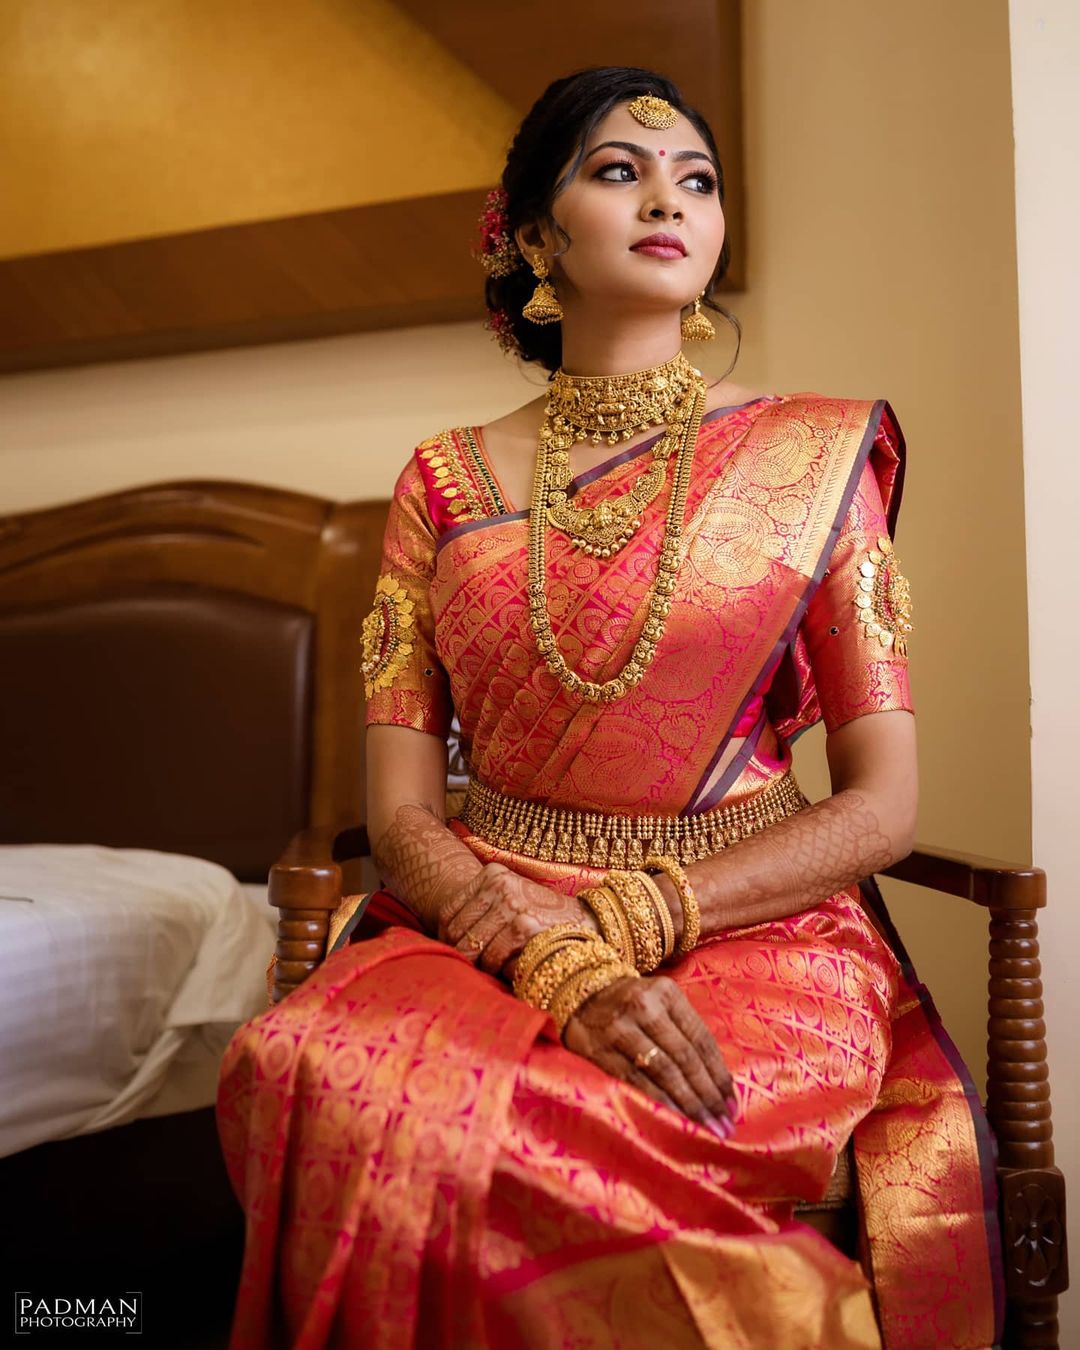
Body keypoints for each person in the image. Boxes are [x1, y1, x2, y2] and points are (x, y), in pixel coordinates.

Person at [217, 68, 1002, 1348]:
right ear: (534, 238)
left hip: (758, 924)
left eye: (697, 179)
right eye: (618, 170)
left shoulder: (813, 461)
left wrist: (636, 913)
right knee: (305, 1067)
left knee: (606, 1118)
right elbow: (400, 810)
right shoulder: (444, 480)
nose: (668, 200)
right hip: (489, 913)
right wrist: (554, 951)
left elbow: (884, 805)